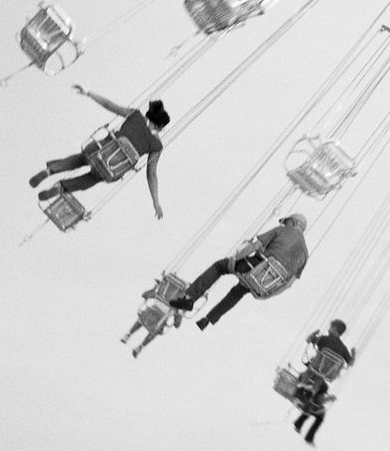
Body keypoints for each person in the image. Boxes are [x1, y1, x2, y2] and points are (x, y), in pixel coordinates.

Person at [28, 85, 169, 219]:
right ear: (161, 126)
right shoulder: (156, 145)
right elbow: (151, 174)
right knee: (92, 179)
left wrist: (88, 92)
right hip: (111, 170)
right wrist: (156, 202)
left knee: (81, 159)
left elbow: (108, 104)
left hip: (98, 150)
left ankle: (50, 171)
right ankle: (61, 187)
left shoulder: (136, 115)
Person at [169, 214, 309, 328]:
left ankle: (189, 298)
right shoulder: (305, 253)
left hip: (252, 267)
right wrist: (268, 294)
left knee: (219, 266)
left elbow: (254, 247)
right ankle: (209, 319)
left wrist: (235, 259)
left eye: (287, 222)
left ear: (294, 222)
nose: (284, 224)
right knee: (238, 292)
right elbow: (289, 283)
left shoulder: (281, 230)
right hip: (264, 284)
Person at [293, 319, 356, 446]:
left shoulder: (325, 339)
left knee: (307, 376)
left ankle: (301, 391)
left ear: (335, 329)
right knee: (319, 383)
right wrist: (353, 354)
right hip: (324, 374)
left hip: (313, 369)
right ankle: (309, 396)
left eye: (330, 327)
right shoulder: (343, 348)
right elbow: (350, 363)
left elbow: (308, 340)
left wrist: (313, 334)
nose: (328, 329)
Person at [120, 281, 184, 359]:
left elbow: (145, 295)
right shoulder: (177, 304)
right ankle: (139, 345)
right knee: (156, 329)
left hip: (153, 314)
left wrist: (154, 289)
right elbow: (177, 324)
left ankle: (129, 335)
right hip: (159, 317)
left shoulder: (162, 291)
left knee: (147, 320)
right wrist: (180, 314)